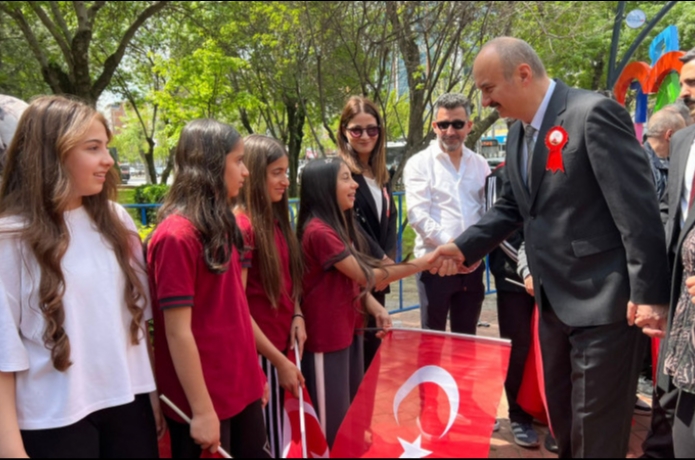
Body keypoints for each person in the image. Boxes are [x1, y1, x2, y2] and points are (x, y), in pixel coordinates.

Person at [428, 37, 670, 458]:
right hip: (552, 306)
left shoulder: (592, 114)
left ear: (523, 74)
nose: (484, 102)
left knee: (597, 435)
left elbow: (638, 210)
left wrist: (649, 294)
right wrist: (463, 248)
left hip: (605, 306)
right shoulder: (518, 134)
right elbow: (513, 206)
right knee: (565, 425)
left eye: (488, 88)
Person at [0, 95, 162, 458]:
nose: (109, 159)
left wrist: (151, 394)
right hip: (51, 421)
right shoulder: (9, 239)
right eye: (93, 147)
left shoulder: (117, 220)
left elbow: (135, 324)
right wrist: (11, 451)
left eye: (106, 146)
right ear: (51, 154)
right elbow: (3, 358)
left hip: (129, 405)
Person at [148, 119, 270, 458]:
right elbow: (177, 332)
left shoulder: (224, 224)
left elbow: (236, 310)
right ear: (211, 165)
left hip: (240, 387)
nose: (246, 172)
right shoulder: (176, 236)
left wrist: (254, 374)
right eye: (238, 160)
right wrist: (202, 411)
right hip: (205, 402)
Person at [297, 158, 433, 447]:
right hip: (327, 339)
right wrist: (425, 262)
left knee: (350, 412)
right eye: (346, 179)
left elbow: (352, 281)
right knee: (331, 423)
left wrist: (374, 306)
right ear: (324, 187)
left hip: (350, 330)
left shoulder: (338, 227)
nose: (355, 185)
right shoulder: (319, 232)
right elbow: (367, 275)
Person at [235, 134, 306, 458]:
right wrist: (278, 362)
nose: (285, 181)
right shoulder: (243, 227)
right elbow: (238, 306)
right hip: (261, 355)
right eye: (276, 172)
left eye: (286, 172)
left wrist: (297, 313)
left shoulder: (275, 221)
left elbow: (287, 281)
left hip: (282, 347)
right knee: (270, 443)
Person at [404, 93, 490, 335]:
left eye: (457, 124)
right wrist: (455, 248)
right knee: (432, 340)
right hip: (434, 264)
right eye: (443, 124)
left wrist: (471, 250)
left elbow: (487, 213)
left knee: (467, 338)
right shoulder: (418, 164)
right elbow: (418, 215)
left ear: (469, 126)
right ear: (434, 126)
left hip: (472, 265)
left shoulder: (480, 164)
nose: (450, 131)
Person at [649, 48, 695, 458]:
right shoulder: (681, 141)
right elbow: (670, 214)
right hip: (682, 302)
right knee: (669, 398)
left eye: (692, 84)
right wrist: (654, 290)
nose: (684, 94)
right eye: (683, 83)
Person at [337, 96, 398, 371]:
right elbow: (349, 223)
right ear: (344, 131)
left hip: (379, 277)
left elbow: (391, 218)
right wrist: (380, 260)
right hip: (355, 275)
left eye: (372, 129)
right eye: (356, 130)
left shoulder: (381, 174)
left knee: (374, 357)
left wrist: (390, 261)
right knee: (356, 360)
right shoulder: (340, 173)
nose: (365, 136)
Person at [485, 163, 540, 449]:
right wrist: (527, 269)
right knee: (518, 347)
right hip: (513, 279)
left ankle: (544, 408)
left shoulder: (554, 164)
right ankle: (519, 415)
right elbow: (496, 226)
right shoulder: (500, 174)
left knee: (549, 347)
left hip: (552, 277)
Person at [645, 108, 686, 200]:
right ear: (669, 135)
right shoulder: (640, 163)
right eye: (682, 136)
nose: (684, 142)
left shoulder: (672, 162)